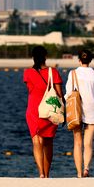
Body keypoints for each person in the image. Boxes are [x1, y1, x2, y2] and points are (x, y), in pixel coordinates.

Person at [23, 45, 63, 178]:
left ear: (33, 57)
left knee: (36, 141)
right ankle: (47, 173)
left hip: (34, 108)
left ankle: (40, 172)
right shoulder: (53, 72)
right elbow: (59, 93)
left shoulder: (28, 72)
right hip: (50, 108)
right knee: (48, 142)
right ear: (45, 56)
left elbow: (29, 89)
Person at [65, 49, 94, 177]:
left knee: (77, 142)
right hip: (93, 109)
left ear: (79, 60)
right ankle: (87, 168)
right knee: (88, 143)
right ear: (90, 60)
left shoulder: (73, 73)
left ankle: (79, 173)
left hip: (77, 110)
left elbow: (68, 94)